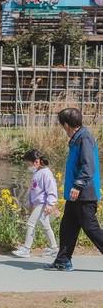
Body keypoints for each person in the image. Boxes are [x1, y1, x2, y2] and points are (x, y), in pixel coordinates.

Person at [45, 107, 103, 272]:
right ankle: (63, 260)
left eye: (62, 125)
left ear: (66, 125)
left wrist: (78, 185)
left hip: (84, 193)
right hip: (76, 194)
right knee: (67, 226)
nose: (63, 129)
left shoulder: (84, 138)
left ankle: (63, 260)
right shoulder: (78, 137)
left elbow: (88, 165)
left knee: (91, 228)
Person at [11, 149, 58, 258]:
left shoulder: (46, 173)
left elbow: (52, 190)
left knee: (30, 223)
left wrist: (50, 204)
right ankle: (54, 249)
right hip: (38, 204)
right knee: (46, 226)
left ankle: (26, 249)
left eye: (28, 164)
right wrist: (31, 203)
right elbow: (34, 190)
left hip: (43, 204)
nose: (28, 167)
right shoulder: (37, 172)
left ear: (36, 162)